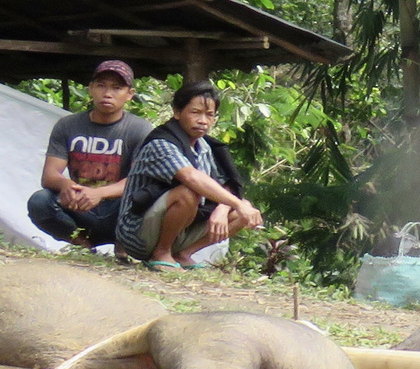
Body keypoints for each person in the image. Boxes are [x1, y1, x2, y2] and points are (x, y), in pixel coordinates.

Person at [115, 80, 260, 270]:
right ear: (177, 112)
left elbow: (222, 184)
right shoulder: (161, 143)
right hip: (136, 233)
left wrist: (225, 208)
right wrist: (236, 203)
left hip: (178, 229)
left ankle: (183, 254)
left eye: (209, 115)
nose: (203, 121)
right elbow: (192, 178)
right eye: (195, 112)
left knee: (241, 210)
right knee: (188, 193)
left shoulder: (204, 146)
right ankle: (161, 252)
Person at [28, 60, 153, 248]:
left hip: (118, 210)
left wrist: (100, 193)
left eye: (117, 88)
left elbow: (139, 182)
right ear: (91, 89)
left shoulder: (140, 128)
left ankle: (124, 247)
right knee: (39, 201)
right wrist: (67, 185)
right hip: (80, 206)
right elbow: (49, 175)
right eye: (101, 86)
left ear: (129, 95)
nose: (107, 93)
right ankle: (81, 244)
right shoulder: (68, 125)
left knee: (152, 199)